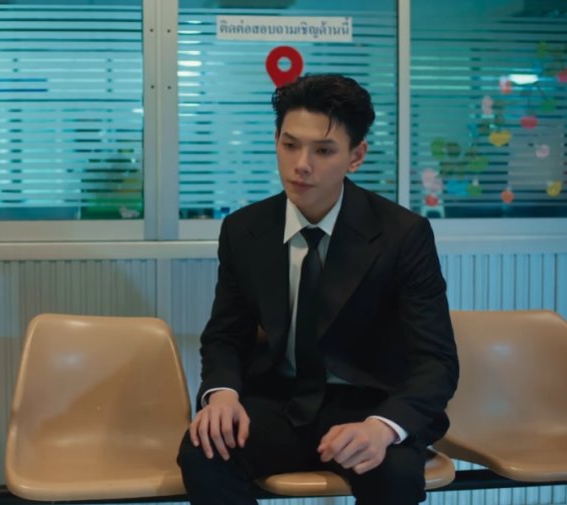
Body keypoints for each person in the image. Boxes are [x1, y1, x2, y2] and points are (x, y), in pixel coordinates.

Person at [176, 74, 459, 504]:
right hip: (278, 400)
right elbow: (225, 336)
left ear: (356, 156)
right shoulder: (244, 229)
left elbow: (436, 362)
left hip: (369, 405)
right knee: (205, 452)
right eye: (290, 145)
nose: (301, 164)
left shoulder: (402, 234)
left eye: (323, 150)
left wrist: (384, 427)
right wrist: (222, 394)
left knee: (395, 474)